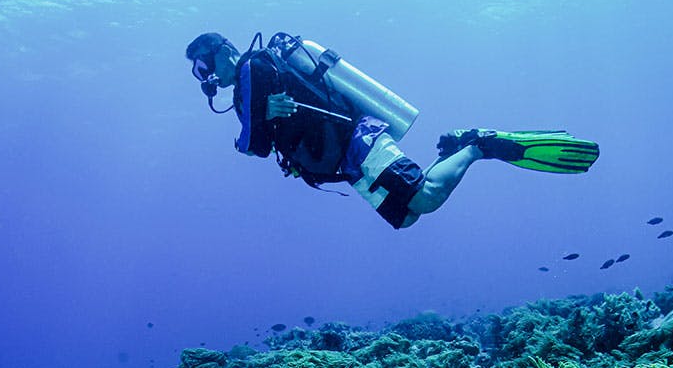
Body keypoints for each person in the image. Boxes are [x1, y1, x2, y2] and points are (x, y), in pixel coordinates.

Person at [185, 32, 599, 230]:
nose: (204, 77)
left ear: (223, 51)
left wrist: (254, 133)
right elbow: (266, 135)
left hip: (355, 139)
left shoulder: (251, 68)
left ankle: (477, 146)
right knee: (408, 216)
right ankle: (454, 147)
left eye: (203, 66)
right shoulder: (246, 93)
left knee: (426, 198)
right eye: (197, 73)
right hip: (342, 161)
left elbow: (253, 145)